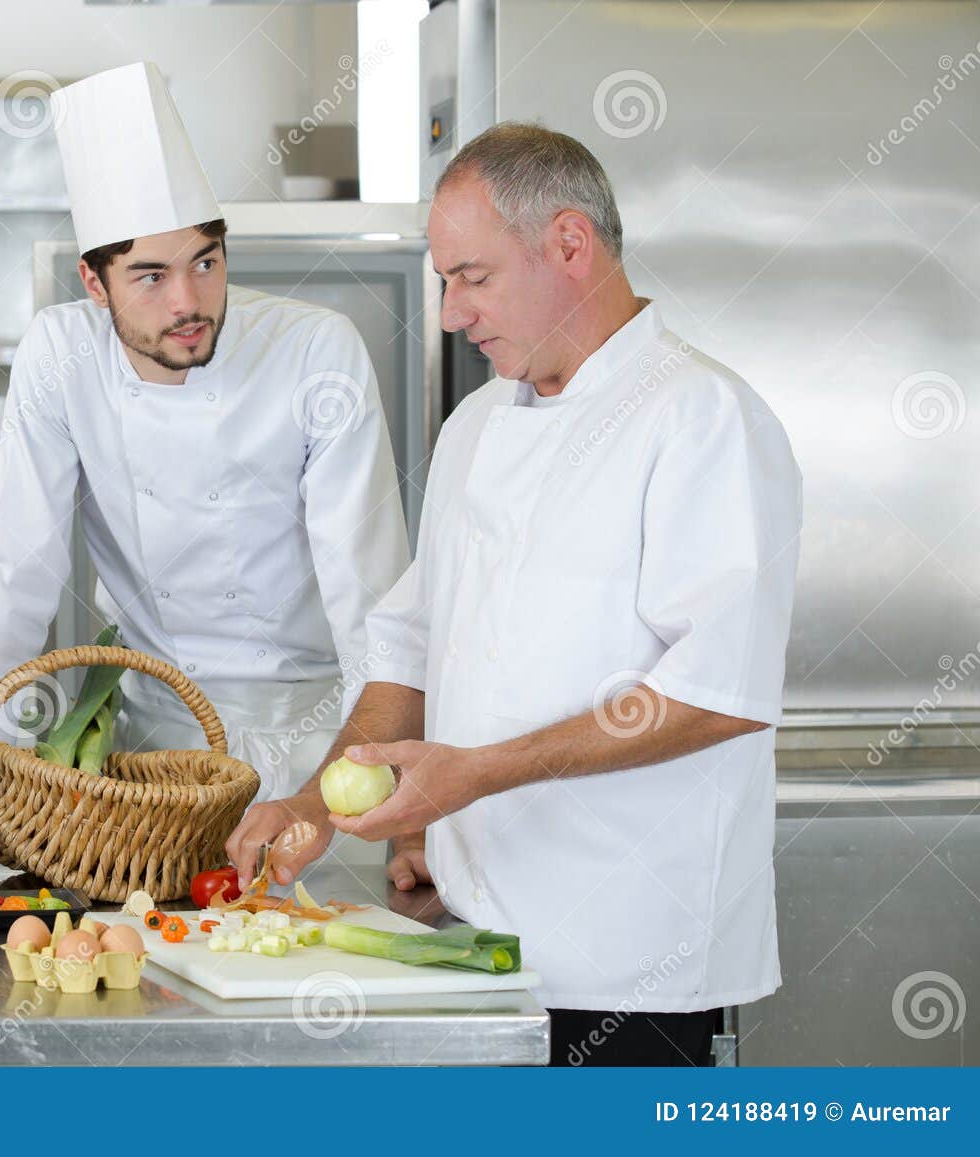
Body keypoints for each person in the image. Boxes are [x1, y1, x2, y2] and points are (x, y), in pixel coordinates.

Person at [226, 122, 802, 1067]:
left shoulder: (702, 418)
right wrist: (315, 809)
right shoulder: (478, 424)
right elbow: (408, 651)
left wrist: (477, 772)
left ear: (569, 245)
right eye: (445, 280)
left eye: (473, 277)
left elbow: (714, 692)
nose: (451, 313)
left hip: (629, 965)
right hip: (467, 939)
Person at [0, 62, 409, 864]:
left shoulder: (316, 352)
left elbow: (376, 606)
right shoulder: (60, 356)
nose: (189, 300)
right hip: (153, 771)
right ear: (94, 283)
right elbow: (13, 581)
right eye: (150, 276)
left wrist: (392, 805)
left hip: (322, 748)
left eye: (207, 261)